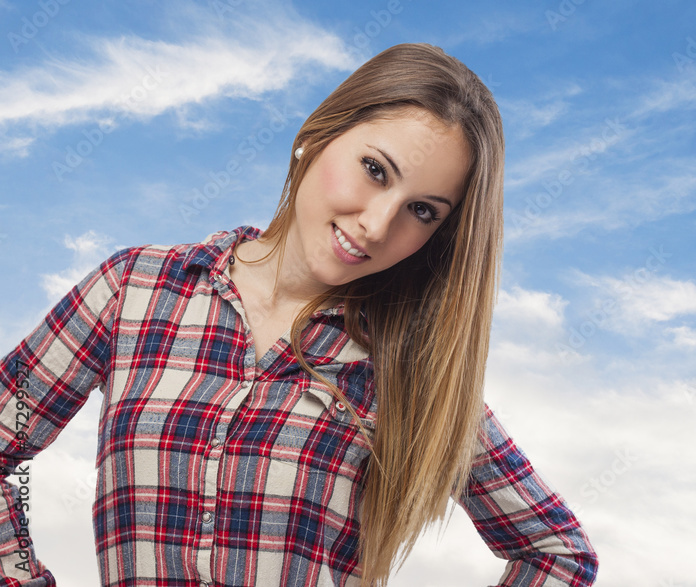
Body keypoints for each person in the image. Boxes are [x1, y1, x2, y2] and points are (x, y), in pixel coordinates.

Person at [0, 43, 597, 586]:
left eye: (421, 209)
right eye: (374, 170)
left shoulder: (410, 374)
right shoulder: (135, 289)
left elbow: (557, 554)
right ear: (317, 136)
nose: (377, 223)